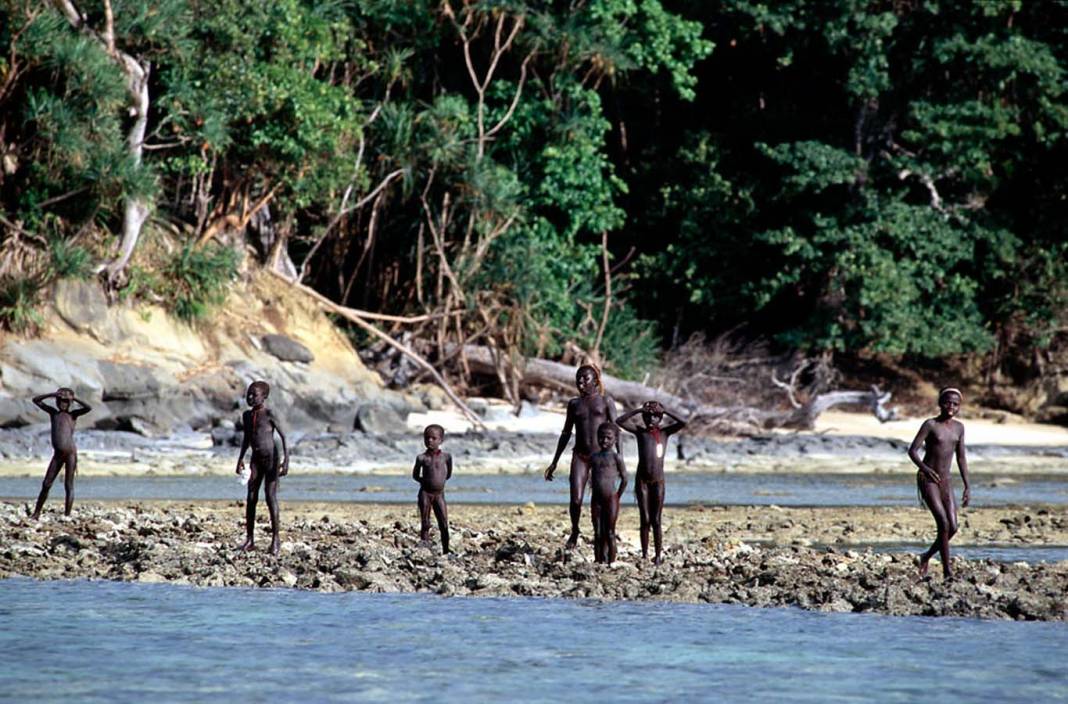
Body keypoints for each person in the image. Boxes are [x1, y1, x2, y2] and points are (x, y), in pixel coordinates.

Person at [544, 364, 618, 548]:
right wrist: (554, 462)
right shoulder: (574, 404)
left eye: (585, 378)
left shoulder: (606, 401)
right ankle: (575, 530)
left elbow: (615, 430)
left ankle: (600, 535)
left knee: (599, 500)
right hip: (580, 456)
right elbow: (566, 433)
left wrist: (619, 457)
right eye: (578, 378)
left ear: (596, 381)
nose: (581, 382)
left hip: (600, 457)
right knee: (576, 499)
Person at [908, 387, 971, 580]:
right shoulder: (930, 425)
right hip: (928, 479)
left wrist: (967, 486)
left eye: (955, 404)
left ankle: (926, 556)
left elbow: (961, 458)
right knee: (943, 523)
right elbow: (912, 451)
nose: (951, 406)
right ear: (940, 403)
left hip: (946, 480)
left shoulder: (959, 428)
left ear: (959, 406)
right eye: (947, 402)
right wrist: (925, 469)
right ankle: (947, 572)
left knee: (953, 527)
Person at [616, 400, 686, 564]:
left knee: (656, 520)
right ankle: (644, 554)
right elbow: (619, 421)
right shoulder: (640, 432)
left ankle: (658, 555)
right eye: (647, 416)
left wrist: (665, 411)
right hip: (642, 481)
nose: (650, 420)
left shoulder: (665, 433)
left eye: (655, 417)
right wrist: (639, 410)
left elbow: (683, 422)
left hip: (658, 481)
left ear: (660, 418)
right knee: (645, 519)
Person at [235, 381, 289, 555]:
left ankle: (276, 540)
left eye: (255, 395)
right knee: (251, 497)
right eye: (248, 395)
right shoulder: (247, 416)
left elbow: (284, 437)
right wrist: (240, 458)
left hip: (271, 459)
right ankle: (250, 539)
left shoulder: (269, 413)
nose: (251, 398)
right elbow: (247, 439)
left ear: (264, 396)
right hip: (256, 459)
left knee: (270, 497)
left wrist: (286, 461)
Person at [30, 388, 91, 519]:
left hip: (70, 454)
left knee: (68, 485)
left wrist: (73, 398)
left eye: (66, 402)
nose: (63, 404)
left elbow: (88, 408)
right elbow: (36, 400)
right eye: (60, 401)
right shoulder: (53, 413)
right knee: (46, 484)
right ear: (56, 401)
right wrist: (52, 394)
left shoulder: (73, 415)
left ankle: (67, 515)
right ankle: (36, 513)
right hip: (58, 455)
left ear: (70, 403)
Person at [589, 422, 627, 565]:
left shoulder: (617, 458)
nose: (604, 441)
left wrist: (617, 496)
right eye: (601, 437)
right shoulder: (594, 457)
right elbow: (591, 477)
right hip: (596, 499)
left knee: (610, 532)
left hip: (611, 498)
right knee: (598, 532)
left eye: (608, 438)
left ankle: (611, 562)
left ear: (615, 440)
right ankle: (598, 560)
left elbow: (625, 479)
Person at [412, 424, 453, 554]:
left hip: (439, 494)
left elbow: (448, 474)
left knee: (444, 523)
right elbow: (415, 475)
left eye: (434, 438)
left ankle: (446, 551)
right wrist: (425, 482)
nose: (430, 441)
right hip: (425, 493)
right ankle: (425, 551)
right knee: (425, 523)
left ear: (441, 440)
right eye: (427, 438)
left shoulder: (446, 457)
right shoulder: (422, 458)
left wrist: (439, 483)